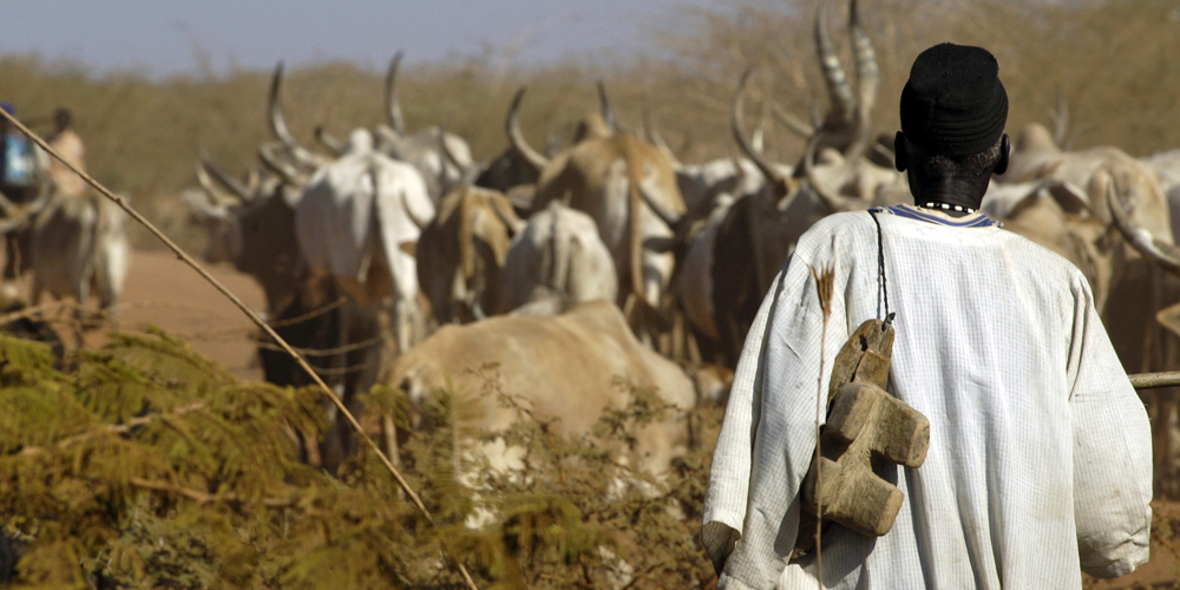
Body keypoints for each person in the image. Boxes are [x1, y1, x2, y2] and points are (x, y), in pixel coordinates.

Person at [701, 43, 1151, 588]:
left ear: (898, 151)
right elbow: (1113, 513)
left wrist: (751, 572)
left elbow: (780, 433)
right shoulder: (1058, 285)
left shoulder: (835, 250)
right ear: (1003, 156)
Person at [45, 107, 86, 198]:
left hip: (69, 186)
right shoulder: (48, 139)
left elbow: (73, 165)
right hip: (49, 183)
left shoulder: (74, 142)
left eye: (64, 121)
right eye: (59, 120)